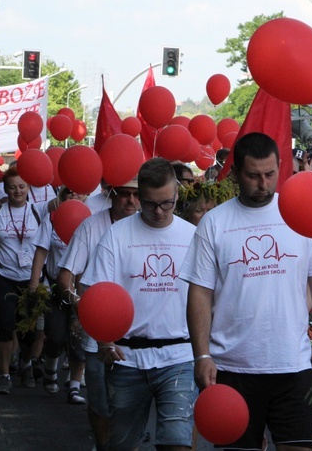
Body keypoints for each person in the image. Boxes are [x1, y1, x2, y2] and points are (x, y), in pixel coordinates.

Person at [181, 132, 312, 450]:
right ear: (235, 173)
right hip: (232, 369)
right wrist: (202, 355)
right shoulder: (214, 223)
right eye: (253, 175)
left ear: (280, 167)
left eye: (269, 174)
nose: (263, 183)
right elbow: (200, 294)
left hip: (293, 366)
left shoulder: (301, 213)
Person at [86, 158, 198, 450]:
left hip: (180, 356)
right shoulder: (117, 235)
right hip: (128, 357)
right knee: (122, 443)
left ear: (176, 195)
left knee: (177, 442)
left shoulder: (192, 236)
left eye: (167, 204)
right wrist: (104, 342)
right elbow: (98, 293)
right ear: (139, 196)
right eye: (150, 204)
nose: (159, 212)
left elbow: (208, 296)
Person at [56, 177, 140, 447]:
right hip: (97, 332)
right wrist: (82, 305)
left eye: (137, 194)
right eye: (125, 194)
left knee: (129, 404)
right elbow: (65, 277)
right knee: (101, 401)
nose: (131, 201)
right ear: (111, 194)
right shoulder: (91, 226)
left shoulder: (149, 227)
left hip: (136, 332)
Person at [0, 167, 51, 395]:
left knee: (28, 329)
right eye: (12, 187)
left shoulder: (37, 211)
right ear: (5, 190)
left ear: (28, 188)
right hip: (0, 276)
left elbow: (61, 206)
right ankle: (5, 374)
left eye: (22, 186)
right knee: (4, 325)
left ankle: (25, 363)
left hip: (30, 277)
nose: (18, 191)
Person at [28, 186, 88, 397]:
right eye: (68, 192)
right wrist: (35, 281)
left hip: (82, 286)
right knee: (55, 335)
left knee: (79, 337)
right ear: (60, 196)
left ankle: (74, 384)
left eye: (78, 191)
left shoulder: (91, 221)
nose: (73, 195)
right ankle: (51, 369)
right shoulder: (52, 219)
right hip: (55, 286)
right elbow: (41, 251)